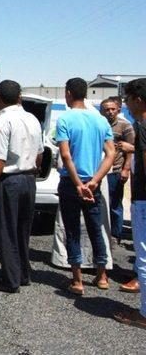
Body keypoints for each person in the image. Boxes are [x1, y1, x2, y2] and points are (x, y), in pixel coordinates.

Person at [0, 80, 43, 293]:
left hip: (10, 182)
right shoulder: (32, 118)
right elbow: (40, 154)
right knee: (22, 230)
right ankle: (23, 274)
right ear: (20, 98)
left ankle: (9, 280)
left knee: (5, 231)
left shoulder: (2, 121)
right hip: (29, 179)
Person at [56, 78, 115, 295]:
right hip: (94, 183)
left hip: (71, 183)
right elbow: (110, 154)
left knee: (72, 230)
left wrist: (79, 184)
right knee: (95, 229)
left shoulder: (64, 119)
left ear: (69, 93)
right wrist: (94, 181)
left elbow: (65, 154)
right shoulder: (101, 121)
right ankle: (102, 276)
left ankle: (78, 280)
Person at [114, 78, 146, 329]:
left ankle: (144, 314)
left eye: (126, 100)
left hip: (144, 199)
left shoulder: (142, 125)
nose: (125, 105)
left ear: (138, 100)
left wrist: (132, 150)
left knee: (143, 258)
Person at [99, 97, 134, 246]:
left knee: (114, 205)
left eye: (113, 109)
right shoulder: (98, 124)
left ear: (118, 109)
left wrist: (126, 169)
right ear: (101, 111)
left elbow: (131, 150)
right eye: (106, 109)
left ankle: (115, 235)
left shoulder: (125, 126)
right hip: (99, 171)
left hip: (116, 171)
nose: (110, 112)